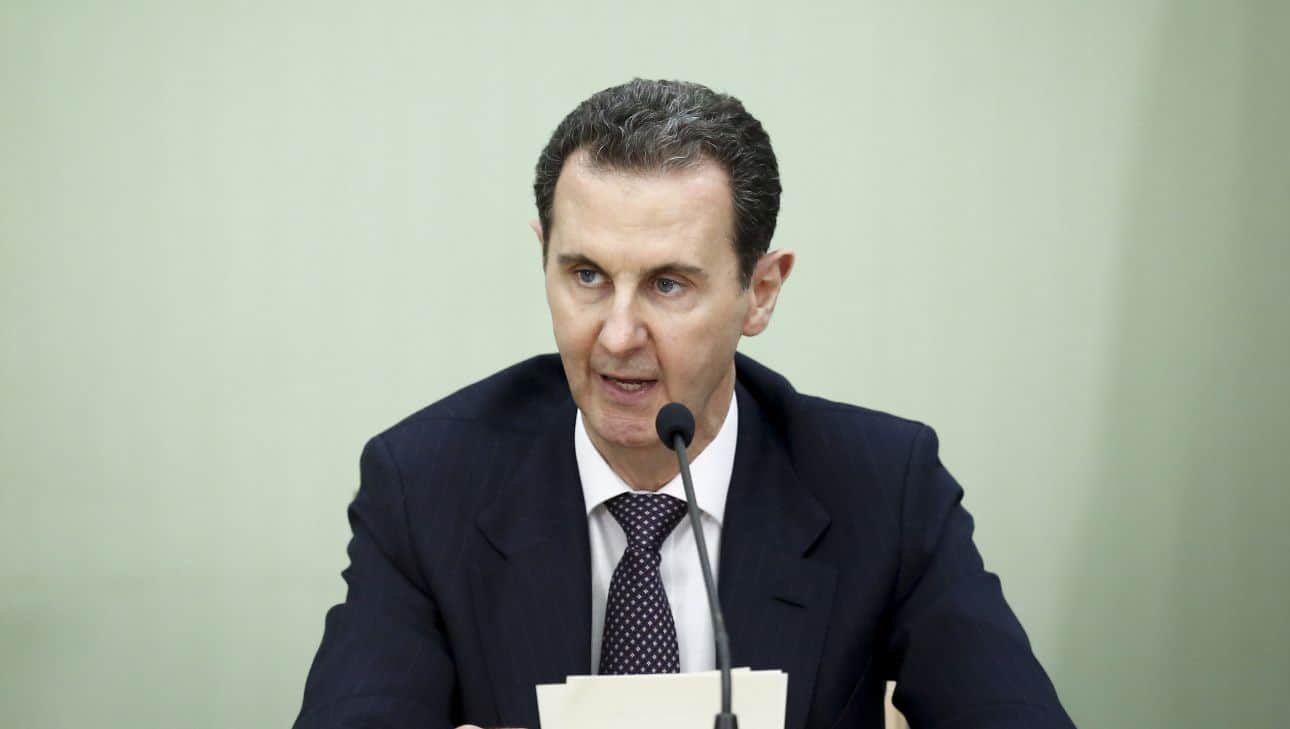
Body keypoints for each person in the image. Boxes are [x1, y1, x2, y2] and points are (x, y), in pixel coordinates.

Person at [292, 79, 1075, 729]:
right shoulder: (427, 483)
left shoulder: (882, 487)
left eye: (668, 284)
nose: (617, 334)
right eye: (586, 275)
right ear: (544, 259)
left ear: (759, 292)